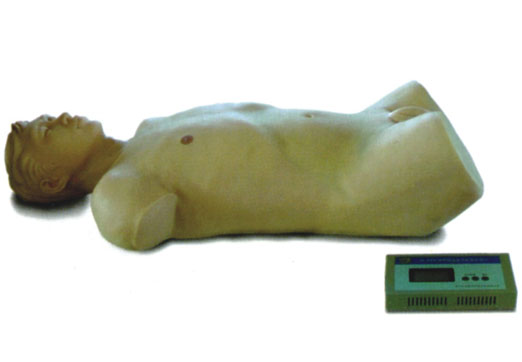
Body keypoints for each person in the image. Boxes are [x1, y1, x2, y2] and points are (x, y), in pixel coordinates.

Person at [5, 81, 483, 250]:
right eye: (47, 131)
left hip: (363, 124)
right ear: (53, 179)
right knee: (445, 149)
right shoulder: (119, 191)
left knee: (418, 96)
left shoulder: (148, 129)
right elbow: (135, 224)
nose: (58, 117)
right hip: (359, 180)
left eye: (48, 117)